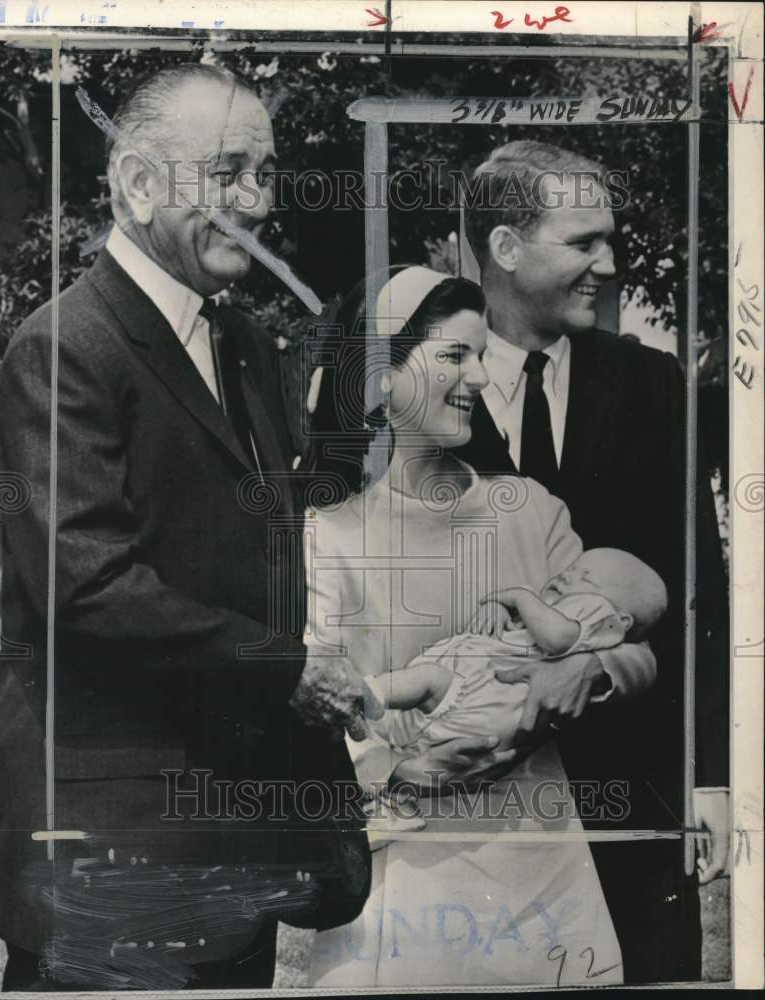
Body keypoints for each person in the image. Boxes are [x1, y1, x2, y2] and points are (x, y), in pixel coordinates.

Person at [0, 64, 371, 992]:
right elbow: (88, 585)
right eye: (227, 171)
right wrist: (290, 669)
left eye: (265, 174)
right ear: (137, 184)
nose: (255, 201)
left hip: (233, 842)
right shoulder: (63, 346)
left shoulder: (244, 343)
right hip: (111, 855)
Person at [303, 266, 657, 987]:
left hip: (544, 871)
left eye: (479, 355)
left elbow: (633, 645)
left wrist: (588, 672)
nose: (475, 378)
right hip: (407, 880)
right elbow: (320, 703)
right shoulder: (330, 535)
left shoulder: (530, 509)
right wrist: (403, 770)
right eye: (451, 356)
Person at [455, 140, 730, 982]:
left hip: (634, 796)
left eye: (609, 241)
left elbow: (698, 593)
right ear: (505, 247)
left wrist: (709, 779)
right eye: (583, 243)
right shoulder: (422, 390)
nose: (608, 265)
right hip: (475, 810)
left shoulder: (653, 386)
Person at [363, 548, 668, 765]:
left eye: (585, 578)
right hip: (482, 718)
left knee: (426, 680)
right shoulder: (564, 608)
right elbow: (524, 626)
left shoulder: (594, 616)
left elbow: (558, 637)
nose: (566, 576)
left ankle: (365, 693)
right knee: (421, 707)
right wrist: (499, 607)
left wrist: (519, 599)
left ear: (619, 622)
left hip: (482, 700)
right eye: (570, 569)